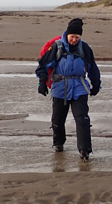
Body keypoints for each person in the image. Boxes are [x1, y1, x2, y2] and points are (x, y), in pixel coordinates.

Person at [36, 18, 101, 161]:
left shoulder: (85, 49)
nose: (74, 40)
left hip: (79, 88)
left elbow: (93, 69)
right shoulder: (56, 47)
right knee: (58, 120)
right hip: (60, 88)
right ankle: (58, 143)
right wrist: (42, 82)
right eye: (72, 37)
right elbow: (43, 66)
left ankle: (85, 150)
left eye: (77, 37)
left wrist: (96, 84)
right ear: (67, 34)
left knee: (82, 119)